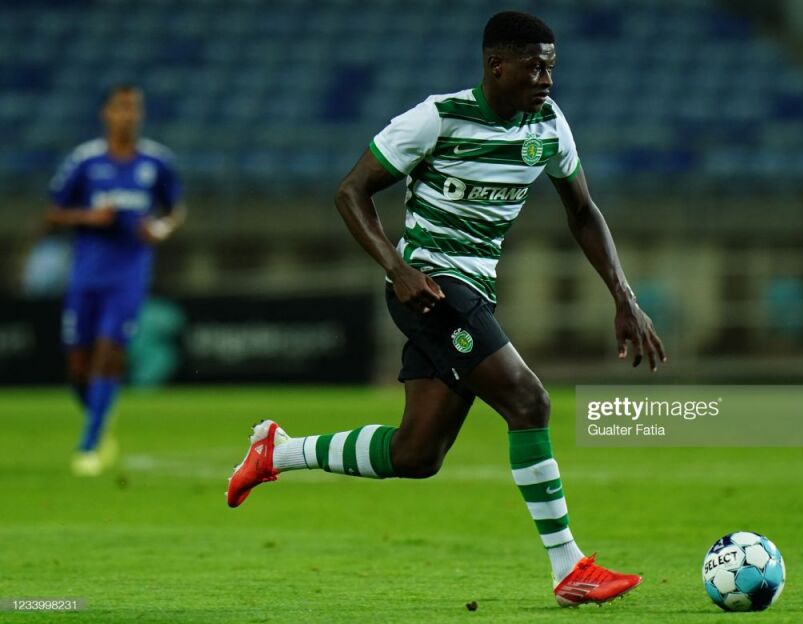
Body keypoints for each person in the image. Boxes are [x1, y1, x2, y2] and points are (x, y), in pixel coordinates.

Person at [227, 12, 665, 606]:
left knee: (416, 454)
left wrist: (624, 295)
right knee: (529, 401)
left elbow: (583, 211)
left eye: (551, 67)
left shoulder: (548, 125)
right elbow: (351, 191)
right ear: (496, 65)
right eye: (535, 67)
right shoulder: (437, 118)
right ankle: (570, 568)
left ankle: (277, 451)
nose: (546, 79)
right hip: (430, 289)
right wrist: (397, 267)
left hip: (474, 292)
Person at [44, 84, 186, 476]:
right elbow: (52, 213)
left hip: (128, 275)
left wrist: (159, 228)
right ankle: (100, 414)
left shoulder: (156, 161)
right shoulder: (84, 160)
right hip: (85, 274)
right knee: (78, 367)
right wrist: (89, 217)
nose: (128, 115)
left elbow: (175, 210)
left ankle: (90, 444)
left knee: (110, 352)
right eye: (121, 107)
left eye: (134, 108)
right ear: (106, 113)